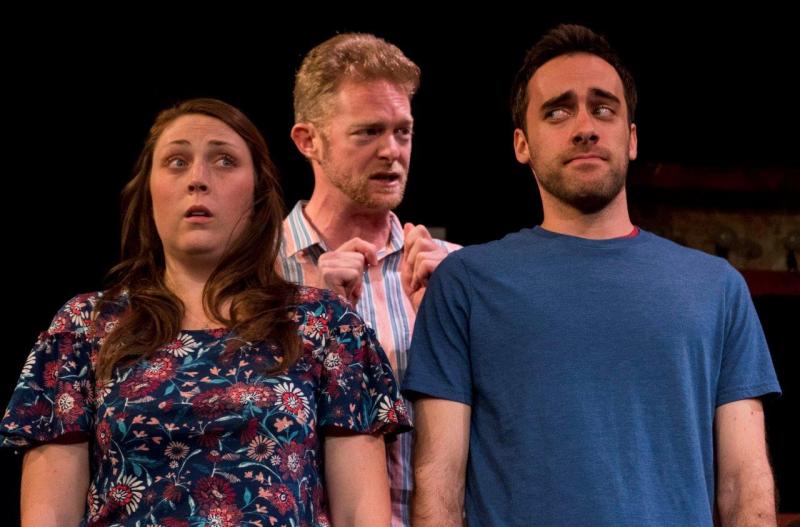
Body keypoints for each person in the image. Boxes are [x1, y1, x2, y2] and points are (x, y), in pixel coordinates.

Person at [404, 24, 781, 526]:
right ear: (522, 143)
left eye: (603, 108)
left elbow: (744, 486)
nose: (584, 126)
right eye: (557, 110)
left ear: (631, 139)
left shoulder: (716, 288)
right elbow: (438, 487)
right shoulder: (466, 283)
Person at [1, 98, 409, 527]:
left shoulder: (323, 325)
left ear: (256, 192)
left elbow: (361, 514)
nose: (198, 179)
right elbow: (51, 515)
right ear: (149, 191)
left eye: (224, 161)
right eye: (177, 161)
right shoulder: (84, 327)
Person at [280, 33, 459, 526]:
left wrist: (456, 327)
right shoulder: (255, 274)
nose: (392, 151)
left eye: (403, 132)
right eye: (368, 132)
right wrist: (312, 310)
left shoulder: (455, 272)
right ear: (307, 140)